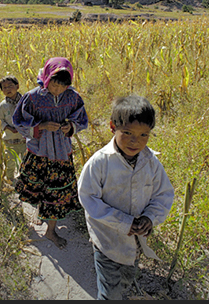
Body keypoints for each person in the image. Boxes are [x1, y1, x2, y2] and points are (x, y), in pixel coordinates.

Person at [77, 95, 174, 299]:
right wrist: (123, 222)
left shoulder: (151, 162)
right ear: (113, 127)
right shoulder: (100, 163)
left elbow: (162, 195)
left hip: (135, 242)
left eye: (143, 135)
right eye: (127, 133)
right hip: (107, 241)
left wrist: (149, 218)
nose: (134, 141)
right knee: (109, 293)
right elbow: (88, 198)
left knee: (126, 280)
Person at [12, 57, 88, 249]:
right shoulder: (32, 97)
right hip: (39, 151)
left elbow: (81, 119)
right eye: (54, 84)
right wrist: (41, 126)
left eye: (62, 86)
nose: (57, 90)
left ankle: (51, 230)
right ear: (46, 78)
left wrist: (69, 126)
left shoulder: (73, 97)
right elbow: (19, 122)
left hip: (61, 153)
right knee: (38, 185)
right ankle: (41, 213)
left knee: (57, 190)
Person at [0, 75, 26, 183]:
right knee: (10, 162)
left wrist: (24, 126)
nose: (8, 89)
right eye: (4, 87)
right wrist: (9, 128)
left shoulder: (25, 102)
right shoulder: (3, 106)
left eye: (10, 86)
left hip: (24, 140)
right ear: (2, 91)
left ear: (17, 86)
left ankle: (25, 179)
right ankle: (10, 180)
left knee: (26, 161)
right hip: (9, 140)